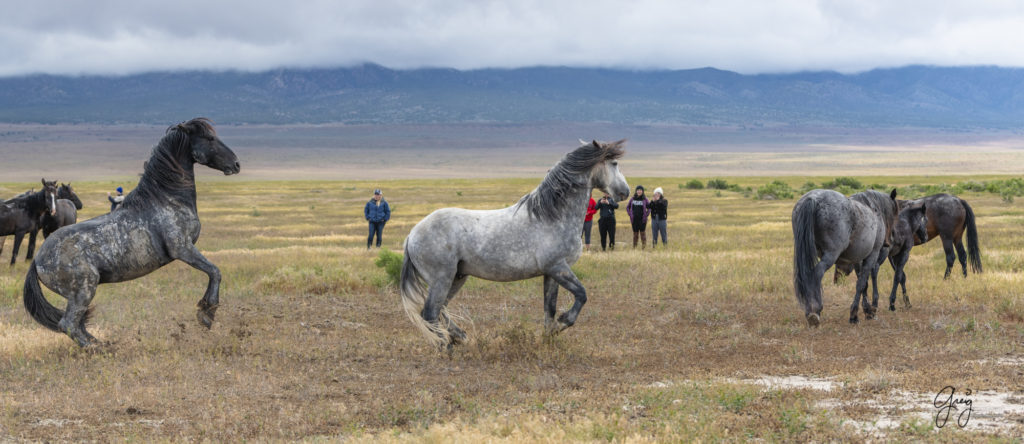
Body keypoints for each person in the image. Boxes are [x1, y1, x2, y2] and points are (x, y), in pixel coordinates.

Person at [626, 185, 650, 249]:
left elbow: (649, 207)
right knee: (635, 234)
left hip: (642, 220)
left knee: (642, 234)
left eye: (640, 190)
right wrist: (630, 214)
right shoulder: (632, 198)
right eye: (638, 190)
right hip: (634, 220)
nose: (639, 191)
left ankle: (644, 248)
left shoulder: (645, 199)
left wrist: (646, 214)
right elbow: (627, 207)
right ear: (636, 191)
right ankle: (634, 248)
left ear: (642, 191)